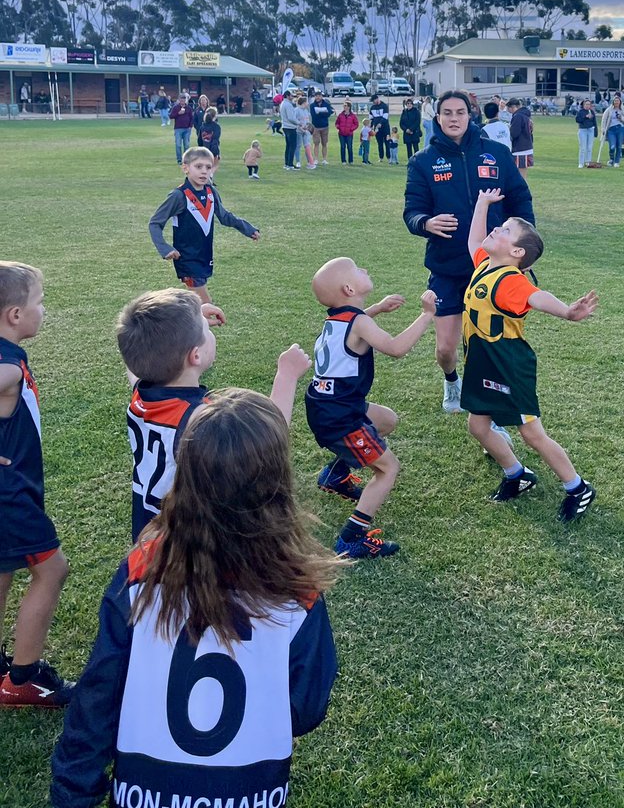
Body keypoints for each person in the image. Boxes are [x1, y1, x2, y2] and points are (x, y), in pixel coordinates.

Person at [50, 386, 338, 808]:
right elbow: (307, 706)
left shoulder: (142, 571)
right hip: (252, 791)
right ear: (278, 482)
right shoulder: (298, 588)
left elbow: (99, 694)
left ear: (185, 474)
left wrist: (73, 791)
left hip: (142, 793)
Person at [117, 288, 305, 542]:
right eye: (205, 330)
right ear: (195, 354)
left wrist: (190, 323)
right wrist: (287, 375)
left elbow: (142, 351)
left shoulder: (142, 391)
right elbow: (270, 433)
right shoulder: (199, 418)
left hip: (147, 528)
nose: (208, 329)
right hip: (186, 538)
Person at [461, 190, 598, 520]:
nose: (497, 229)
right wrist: (481, 204)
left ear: (517, 252)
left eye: (505, 230)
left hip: (508, 365)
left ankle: (578, 487)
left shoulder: (511, 280)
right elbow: (474, 242)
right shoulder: (485, 263)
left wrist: (567, 312)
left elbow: (537, 297)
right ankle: (517, 474)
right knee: (478, 427)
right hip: (482, 363)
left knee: (531, 433)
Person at [403, 89, 534, 413]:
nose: (453, 118)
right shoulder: (423, 161)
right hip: (448, 266)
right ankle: (451, 382)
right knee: (447, 347)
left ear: (470, 115)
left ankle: (489, 408)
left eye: (459, 112)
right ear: (437, 118)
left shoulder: (497, 153)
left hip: (493, 270)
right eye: (446, 113)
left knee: (489, 347)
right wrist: (425, 222)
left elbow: (520, 199)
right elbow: (412, 211)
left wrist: (522, 248)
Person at [306, 257, 436, 559]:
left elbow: (356, 324)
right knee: (388, 468)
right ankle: (351, 539)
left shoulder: (337, 318)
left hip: (328, 405)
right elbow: (396, 348)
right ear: (349, 288)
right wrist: (426, 314)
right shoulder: (359, 322)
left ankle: (334, 476)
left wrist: (376, 308)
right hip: (341, 416)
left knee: (386, 420)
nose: (365, 269)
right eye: (358, 269)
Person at [0, 263, 74, 708]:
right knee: (52, 569)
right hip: (10, 495)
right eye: (39, 302)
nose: (43, 310)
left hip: (12, 489)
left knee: (2, 572)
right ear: (14, 315)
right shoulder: (6, 367)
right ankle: (21, 680)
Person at [149, 146, 260, 305]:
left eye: (208, 167)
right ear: (185, 168)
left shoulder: (211, 191)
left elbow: (225, 216)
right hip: (187, 258)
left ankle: (177, 324)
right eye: (198, 166)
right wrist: (165, 248)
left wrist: (247, 229)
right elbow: (155, 223)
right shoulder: (178, 196)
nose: (204, 171)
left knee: (194, 305)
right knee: (205, 304)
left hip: (204, 256)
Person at [600, 95, 624, 167]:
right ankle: (611, 159)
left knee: (619, 146)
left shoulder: (623, 110)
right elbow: (604, 120)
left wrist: (621, 118)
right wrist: (603, 129)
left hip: (620, 129)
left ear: (620, 102)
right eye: (615, 101)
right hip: (611, 129)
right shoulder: (609, 110)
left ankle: (617, 161)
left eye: (618, 101)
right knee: (612, 146)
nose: (616, 102)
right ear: (613, 102)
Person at [507, 98, 534, 176]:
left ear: (513, 107)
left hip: (520, 149)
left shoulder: (517, 116)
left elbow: (514, 133)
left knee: (519, 175)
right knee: (523, 174)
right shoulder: (526, 115)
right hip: (527, 147)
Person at [310, 91, 334, 165]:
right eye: (316, 96)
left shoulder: (326, 104)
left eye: (319, 96)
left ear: (321, 96)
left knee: (324, 143)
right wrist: (323, 113)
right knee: (316, 143)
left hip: (325, 126)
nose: (317, 97)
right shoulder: (312, 105)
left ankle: (324, 159)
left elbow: (329, 113)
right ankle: (316, 159)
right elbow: (314, 115)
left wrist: (320, 113)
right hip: (316, 127)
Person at [170, 92, 194, 165]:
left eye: (184, 100)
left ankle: (186, 160)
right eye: (181, 100)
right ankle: (179, 159)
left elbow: (191, 118)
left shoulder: (189, 108)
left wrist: (190, 126)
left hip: (187, 129)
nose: (182, 101)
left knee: (186, 145)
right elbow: (171, 116)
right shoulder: (176, 107)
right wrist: (178, 113)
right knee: (178, 144)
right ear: (179, 100)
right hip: (178, 129)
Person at [279, 89, 300, 171]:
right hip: (290, 127)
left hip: (285, 127)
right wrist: (298, 123)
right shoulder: (288, 105)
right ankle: (290, 164)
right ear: (287, 96)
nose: (292, 97)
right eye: (291, 95)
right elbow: (291, 117)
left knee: (288, 146)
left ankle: (287, 163)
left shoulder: (283, 103)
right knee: (292, 146)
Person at [294, 93, 316, 170]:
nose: (308, 103)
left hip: (306, 132)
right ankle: (298, 161)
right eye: (306, 102)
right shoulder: (296, 110)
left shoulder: (306, 110)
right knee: (298, 146)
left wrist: (308, 128)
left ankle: (309, 162)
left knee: (307, 146)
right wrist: (301, 129)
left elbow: (308, 120)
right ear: (303, 103)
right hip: (299, 131)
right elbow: (295, 121)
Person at [574, 100, 597, 168]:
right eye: (586, 104)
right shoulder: (580, 112)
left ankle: (588, 162)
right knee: (582, 147)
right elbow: (578, 120)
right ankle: (581, 163)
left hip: (590, 130)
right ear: (584, 105)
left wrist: (595, 132)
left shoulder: (592, 112)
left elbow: (594, 122)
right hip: (583, 130)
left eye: (589, 104)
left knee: (589, 147)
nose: (587, 106)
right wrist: (585, 117)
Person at [370, 97, 390, 161]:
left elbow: (385, 116)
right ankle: (381, 157)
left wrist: (380, 123)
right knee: (379, 143)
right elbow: (371, 118)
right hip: (377, 129)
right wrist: (371, 126)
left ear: (377, 99)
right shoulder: (372, 107)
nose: (373, 102)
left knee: (387, 142)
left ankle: (389, 157)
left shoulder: (384, 106)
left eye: (374, 100)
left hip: (385, 127)